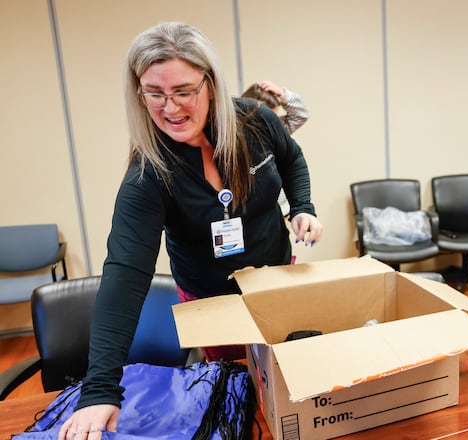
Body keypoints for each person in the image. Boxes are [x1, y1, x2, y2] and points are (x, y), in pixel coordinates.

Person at [57, 21, 323, 439]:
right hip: (212, 298)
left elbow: (292, 159)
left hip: (275, 278)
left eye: (184, 91)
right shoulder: (149, 174)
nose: (170, 108)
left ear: (210, 85)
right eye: (154, 93)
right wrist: (99, 389)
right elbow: (125, 274)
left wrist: (302, 207)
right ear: (138, 92)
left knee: (287, 380)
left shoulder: (255, 121)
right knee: (239, 394)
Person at [242, 80, 310, 216]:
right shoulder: (236, 137)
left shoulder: (276, 128)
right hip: (252, 212)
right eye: (266, 117)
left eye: (274, 117)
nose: (270, 123)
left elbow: (300, 115)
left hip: (280, 208)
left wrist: (283, 94)